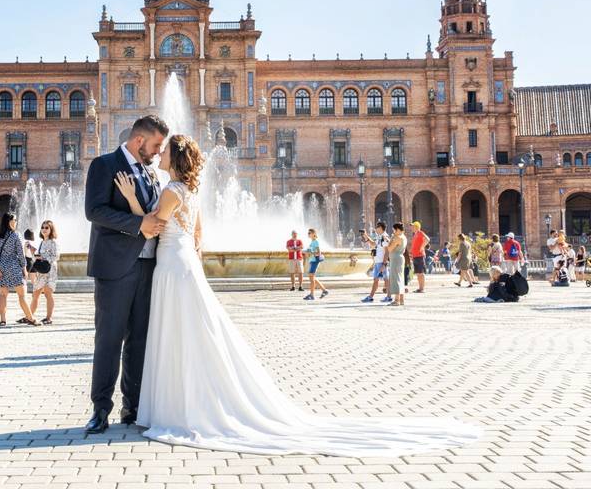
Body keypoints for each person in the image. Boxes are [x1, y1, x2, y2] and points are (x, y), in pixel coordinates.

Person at [111, 131, 479, 455]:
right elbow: (198, 234)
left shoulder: (172, 191)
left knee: (175, 331)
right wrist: (189, 252)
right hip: (183, 262)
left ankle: (176, 406)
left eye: (163, 153)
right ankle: (181, 401)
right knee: (189, 330)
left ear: (174, 158)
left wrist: (129, 198)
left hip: (173, 265)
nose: (157, 156)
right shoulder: (190, 190)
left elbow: (152, 226)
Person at [83, 114, 168, 434]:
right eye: (156, 145)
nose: (159, 152)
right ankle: (100, 408)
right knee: (109, 340)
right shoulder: (104, 165)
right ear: (139, 141)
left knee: (139, 340)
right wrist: (137, 225)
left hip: (148, 266)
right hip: (115, 268)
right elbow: (94, 211)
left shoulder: (152, 173)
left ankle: (132, 406)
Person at [0, 213, 37, 326]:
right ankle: (31, 318)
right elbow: (20, 254)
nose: (16, 222)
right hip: (14, 266)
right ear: (9, 221)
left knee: (2, 295)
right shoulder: (15, 235)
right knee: (21, 295)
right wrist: (24, 268)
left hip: (1, 267)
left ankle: (2, 320)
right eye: (15, 220)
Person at [30, 219, 60, 325]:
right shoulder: (42, 242)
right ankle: (29, 316)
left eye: (46, 227)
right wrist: (34, 253)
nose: (44, 229)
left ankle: (49, 318)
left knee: (48, 293)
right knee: (36, 293)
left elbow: (56, 256)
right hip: (42, 271)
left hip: (50, 270)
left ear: (51, 229)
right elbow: (39, 258)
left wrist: (43, 257)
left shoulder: (53, 242)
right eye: (42, 227)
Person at [362, 222, 390, 303]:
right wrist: (366, 236)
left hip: (382, 262)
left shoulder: (384, 237)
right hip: (378, 262)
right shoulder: (379, 237)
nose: (375, 228)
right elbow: (373, 245)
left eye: (377, 227)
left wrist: (384, 264)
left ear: (381, 228)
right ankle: (371, 297)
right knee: (376, 279)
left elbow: (387, 251)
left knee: (386, 279)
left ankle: (388, 296)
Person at [304, 228, 329, 301]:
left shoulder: (316, 242)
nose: (308, 234)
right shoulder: (312, 242)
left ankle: (312, 295)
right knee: (312, 277)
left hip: (315, 261)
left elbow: (318, 253)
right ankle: (324, 290)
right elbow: (312, 252)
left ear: (314, 234)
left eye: (309, 233)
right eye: (308, 233)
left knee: (311, 278)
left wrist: (310, 253)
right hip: (312, 261)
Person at [385, 223, 407, 306]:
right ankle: (401, 299)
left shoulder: (397, 238)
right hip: (400, 258)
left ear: (397, 230)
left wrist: (390, 240)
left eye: (394, 230)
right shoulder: (403, 237)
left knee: (395, 278)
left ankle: (396, 300)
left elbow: (389, 248)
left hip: (396, 259)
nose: (393, 232)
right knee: (400, 278)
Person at [409, 221, 430, 293]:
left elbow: (427, 239)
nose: (411, 228)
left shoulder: (420, 232)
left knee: (421, 273)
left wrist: (422, 247)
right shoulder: (415, 235)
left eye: (413, 226)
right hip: (415, 256)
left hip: (420, 255)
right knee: (418, 273)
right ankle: (420, 288)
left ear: (417, 227)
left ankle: (422, 288)